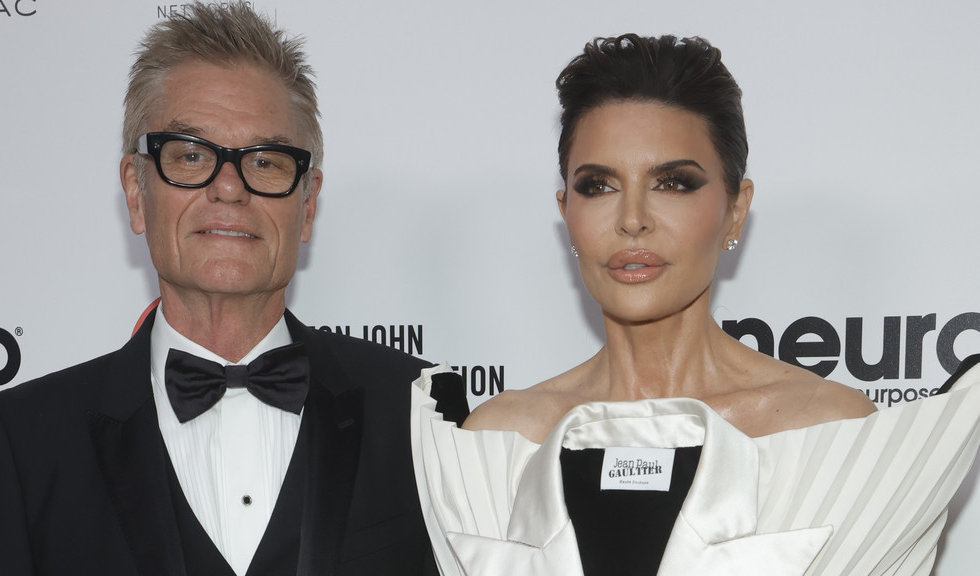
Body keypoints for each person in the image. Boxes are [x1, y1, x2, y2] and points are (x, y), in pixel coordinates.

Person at [408, 35, 980, 576]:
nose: (632, 218)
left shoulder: (832, 434)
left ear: (735, 209)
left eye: (673, 183)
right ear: (566, 211)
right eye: (598, 186)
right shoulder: (499, 442)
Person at [0, 4, 465, 576]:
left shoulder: (422, 408)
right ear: (135, 190)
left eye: (267, 161)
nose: (229, 187)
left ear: (308, 204)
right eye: (192, 155)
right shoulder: (24, 442)